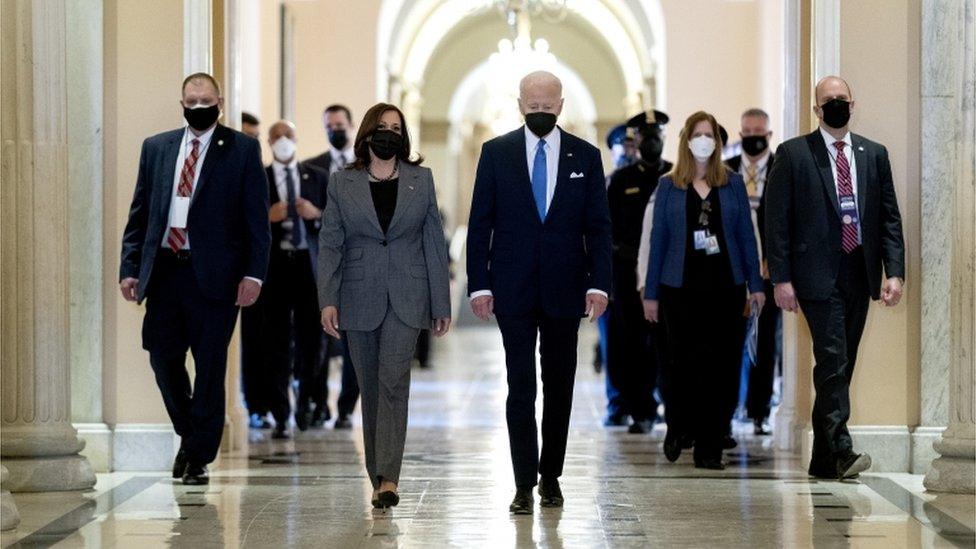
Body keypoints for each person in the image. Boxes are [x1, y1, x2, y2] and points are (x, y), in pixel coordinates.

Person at [466, 71, 612, 514]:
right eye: (534, 107)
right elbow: (480, 224)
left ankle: (552, 476)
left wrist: (599, 283)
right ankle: (522, 482)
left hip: (566, 289)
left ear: (561, 106)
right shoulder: (497, 153)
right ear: (520, 104)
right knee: (520, 388)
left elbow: (598, 227)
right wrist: (480, 284)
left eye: (548, 107)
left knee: (561, 384)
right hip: (512, 287)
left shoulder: (585, 156)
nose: (541, 113)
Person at [119, 72, 270, 484]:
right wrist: (130, 268)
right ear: (182, 103)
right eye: (192, 101)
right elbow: (140, 214)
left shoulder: (241, 149)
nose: (199, 108)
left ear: (219, 102)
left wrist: (254, 275)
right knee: (162, 357)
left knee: (209, 366)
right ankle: (191, 434)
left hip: (216, 277)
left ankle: (199, 456)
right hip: (166, 270)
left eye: (206, 101)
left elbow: (257, 220)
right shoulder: (157, 148)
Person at [765, 76, 905, 480]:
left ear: (853, 103)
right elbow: (777, 221)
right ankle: (842, 449)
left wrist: (893, 271)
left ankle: (822, 459)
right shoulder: (794, 154)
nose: (836, 105)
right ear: (816, 109)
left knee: (841, 365)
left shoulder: (874, 154)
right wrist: (781, 277)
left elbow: (889, 217)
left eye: (841, 99)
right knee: (831, 358)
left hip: (859, 272)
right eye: (828, 101)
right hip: (815, 275)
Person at [318, 103, 451, 508]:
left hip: (407, 296)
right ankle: (378, 474)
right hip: (358, 296)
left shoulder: (421, 180)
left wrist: (440, 301)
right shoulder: (343, 183)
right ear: (367, 133)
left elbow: (433, 243)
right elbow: (331, 243)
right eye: (382, 127)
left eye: (396, 127)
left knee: (394, 382)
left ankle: (389, 477)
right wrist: (327, 299)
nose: (389, 133)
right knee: (370, 384)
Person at [642, 111, 764, 470]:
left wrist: (755, 286)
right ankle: (680, 425)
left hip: (725, 287)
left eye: (709, 134)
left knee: (723, 368)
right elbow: (658, 240)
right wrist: (650, 294)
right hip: (679, 289)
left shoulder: (733, 183)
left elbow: (745, 236)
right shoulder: (668, 185)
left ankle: (710, 444)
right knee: (682, 366)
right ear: (686, 140)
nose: (704, 140)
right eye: (697, 134)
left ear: (718, 141)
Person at [257, 120, 330, 439]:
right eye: (277, 137)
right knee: (273, 342)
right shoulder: (259, 179)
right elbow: (243, 221)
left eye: (288, 136)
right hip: (274, 267)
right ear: (268, 142)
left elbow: (337, 221)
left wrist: (316, 213)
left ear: (297, 140)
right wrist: (266, 216)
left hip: (307, 265)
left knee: (312, 340)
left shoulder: (316, 177)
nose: (283, 141)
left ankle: (305, 405)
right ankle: (280, 413)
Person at [604, 110, 672, 434]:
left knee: (668, 344)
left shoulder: (675, 176)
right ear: (637, 141)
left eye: (656, 134)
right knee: (631, 345)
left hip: (667, 274)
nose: (652, 141)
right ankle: (640, 409)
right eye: (646, 136)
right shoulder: (621, 181)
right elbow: (606, 232)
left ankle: (671, 405)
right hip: (627, 273)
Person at [304, 103, 360, 430]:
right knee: (319, 340)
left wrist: (320, 215)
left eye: (339, 125)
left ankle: (345, 408)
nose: (334, 130)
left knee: (354, 342)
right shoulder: (311, 168)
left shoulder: (366, 167)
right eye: (329, 125)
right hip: (320, 265)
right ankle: (318, 402)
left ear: (350, 126)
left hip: (356, 266)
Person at [726, 108, 780, 436]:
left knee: (764, 342)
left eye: (758, 131)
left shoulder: (780, 169)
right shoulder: (727, 170)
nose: (752, 137)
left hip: (768, 271)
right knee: (731, 342)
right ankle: (729, 408)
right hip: (733, 271)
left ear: (768, 134)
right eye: (746, 131)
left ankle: (759, 409)